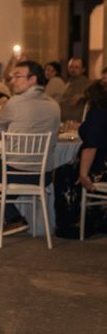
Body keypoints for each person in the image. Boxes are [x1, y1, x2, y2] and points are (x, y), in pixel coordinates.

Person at [0, 61, 60, 235]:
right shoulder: (54, 105)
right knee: (3, 176)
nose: (12, 80)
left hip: (16, 172)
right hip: (44, 175)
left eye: (17, 76)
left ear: (32, 79)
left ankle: (14, 218)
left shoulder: (15, 102)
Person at [54, 80, 107, 238]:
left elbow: (91, 146)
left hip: (100, 166)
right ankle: (97, 218)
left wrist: (83, 174)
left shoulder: (98, 113)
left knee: (64, 173)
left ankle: (73, 224)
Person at [59, 57, 92, 122]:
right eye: (71, 67)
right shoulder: (67, 82)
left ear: (83, 69)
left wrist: (83, 95)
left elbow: (97, 96)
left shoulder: (88, 83)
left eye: (76, 67)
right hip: (64, 122)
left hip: (76, 123)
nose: (73, 69)